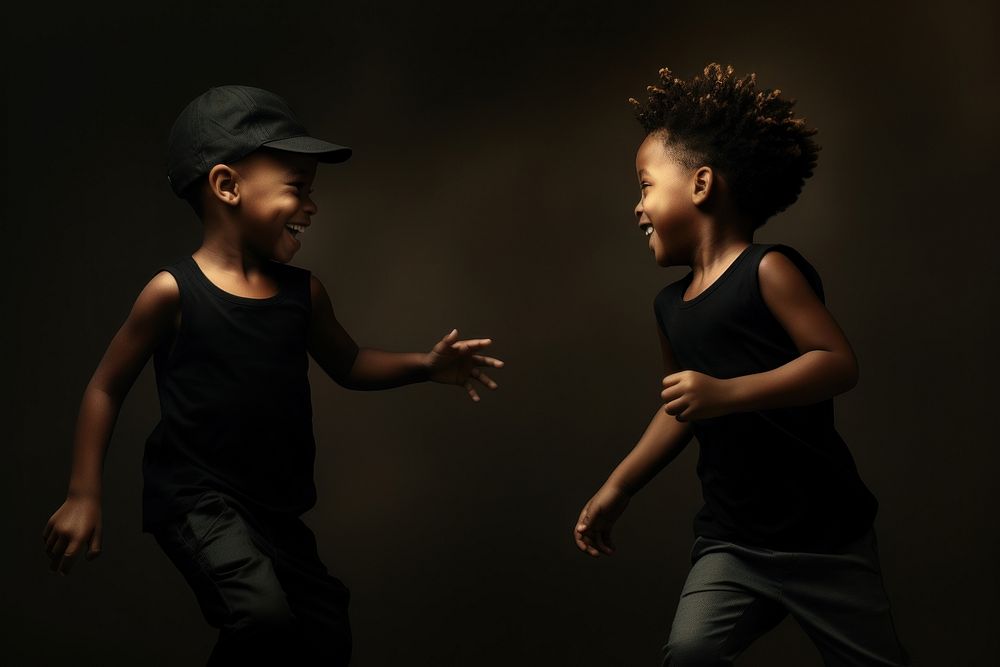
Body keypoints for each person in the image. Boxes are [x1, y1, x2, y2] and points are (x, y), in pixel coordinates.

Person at [41, 84, 504, 666]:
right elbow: (105, 386)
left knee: (325, 628)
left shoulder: (302, 294)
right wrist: (84, 492)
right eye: (298, 190)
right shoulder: (171, 293)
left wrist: (425, 365)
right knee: (260, 615)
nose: (312, 207)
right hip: (196, 499)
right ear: (227, 186)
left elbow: (350, 363)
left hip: (274, 507)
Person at [573, 64, 910, 666]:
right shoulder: (669, 307)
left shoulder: (769, 271)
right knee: (689, 653)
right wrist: (618, 486)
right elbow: (681, 409)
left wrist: (725, 394)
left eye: (645, 186)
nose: (637, 207)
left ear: (700, 184)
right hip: (733, 542)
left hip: (826, 538)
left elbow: (836, 364)